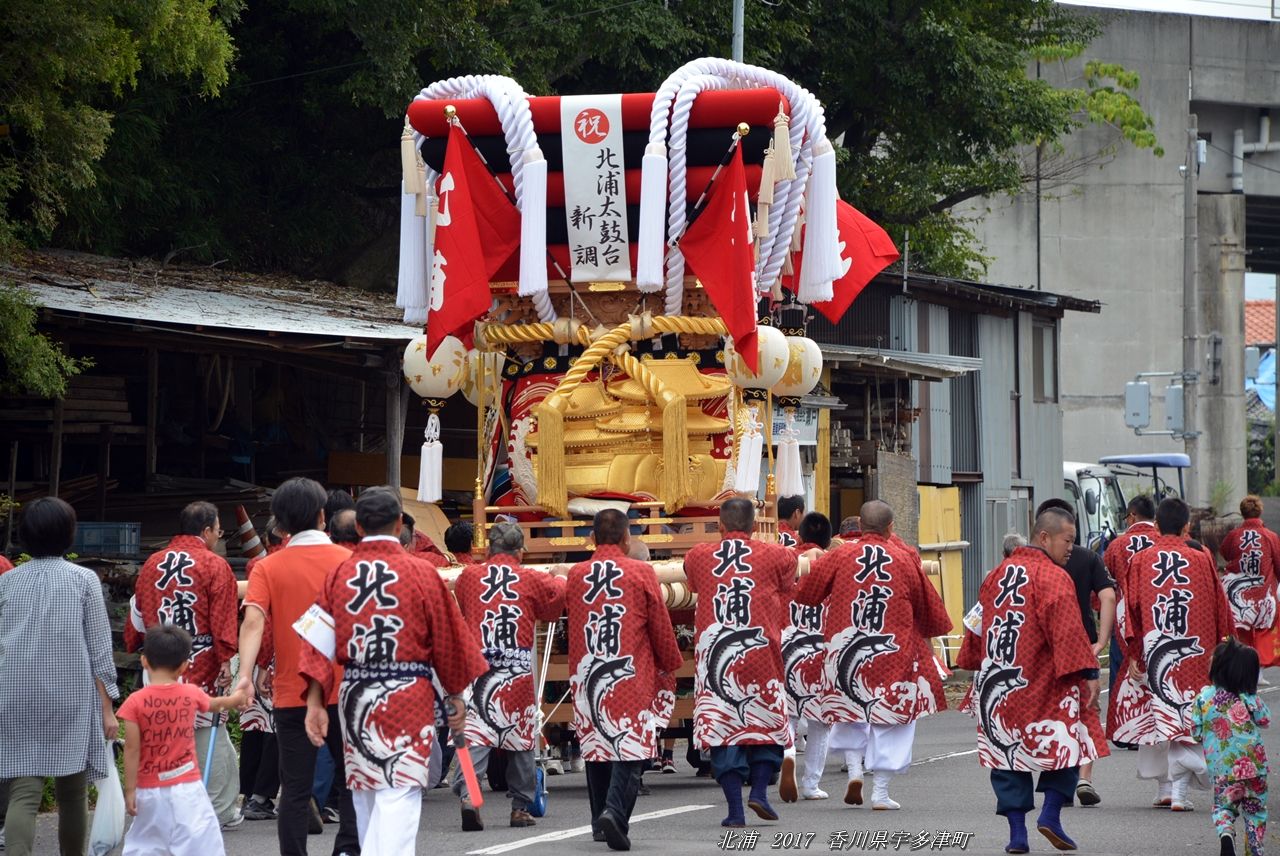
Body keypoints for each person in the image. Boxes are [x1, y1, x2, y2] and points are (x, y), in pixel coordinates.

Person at [298, 486, 488, 855]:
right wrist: (455, 694)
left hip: (356, 695)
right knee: (399, 790)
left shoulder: (339, 574)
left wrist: (315, 703)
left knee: (366, 792)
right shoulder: (422, 572)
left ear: (358, 527)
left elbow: (315, 644)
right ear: (400, 524)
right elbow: (449, 640)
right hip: (407, 693)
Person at [956, 507, 1101, 854]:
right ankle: (1050, 815)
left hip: (999, 685)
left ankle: (1017, 835)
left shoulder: (995, 575)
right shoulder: (1053, 577)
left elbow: (976, 626)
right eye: (1068, 540)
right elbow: (1068, 631)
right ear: (1044, 537)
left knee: (1005, 756)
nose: (1071, 548)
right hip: (1044, 680)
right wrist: (1088, 674)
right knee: (1068, 742)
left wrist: (973, 662)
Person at [796, 500, 952, 811]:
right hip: (893, 652)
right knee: (891, 721)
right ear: (890, 528)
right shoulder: (904, 558)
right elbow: (929, 611)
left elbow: (807, 594)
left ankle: (855, 772)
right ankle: (880, 792)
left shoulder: (840, 555)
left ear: (861, 526)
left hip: (846, 649)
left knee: (851, 712)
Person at [235, 477, 360, 856]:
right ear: (323, 516)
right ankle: (348, 850)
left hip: (292, 691)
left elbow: (253, 622)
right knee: (351, 780)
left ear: (280, 524)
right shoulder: (348, 561)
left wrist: (244, 676)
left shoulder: (268, 567)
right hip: (346, 688)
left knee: (294, 788)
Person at [0, 497, 119, 856]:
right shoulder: (83, 580)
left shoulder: (7, 582)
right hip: (71, 696)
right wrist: (108, 708)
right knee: (73, 792)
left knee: (24, 791)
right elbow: (100, 649)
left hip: (15, 693)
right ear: (69, 534)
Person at [564, 509, 683, 851]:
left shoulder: (576, 574)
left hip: (587, 673)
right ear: (627, 539)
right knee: (631, 747)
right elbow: (659, 625)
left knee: (596, 744)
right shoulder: (641, 572)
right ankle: (614, 813)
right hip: (630, 673)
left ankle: (599, 822)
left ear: (591, 539)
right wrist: (670, 663)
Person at [1110, 497, 1234, 812]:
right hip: (1197, 655)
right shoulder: (1202, 557)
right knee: (1189, 718)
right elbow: (1220, 606)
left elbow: (1129, 611)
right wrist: (1223, 645)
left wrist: (1133, 652)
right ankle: (1178, 792)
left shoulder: (1141, 560)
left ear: (1156, 525)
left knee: (1158, 717)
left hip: (1155, 653)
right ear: (1186, 526)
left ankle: (1167, 788)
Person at [124, 500, 242, 828]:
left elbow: (137, 615)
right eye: (218, 531)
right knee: (205, 731)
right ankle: (216, 808)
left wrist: (139, 645)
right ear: (206, 531)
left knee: (161, 733)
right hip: (200, 658)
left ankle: (162, 805)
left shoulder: (152, 563)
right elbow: (223, 619)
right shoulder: (214, 564)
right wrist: (226, 659)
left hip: (158, 660)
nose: (218, 536)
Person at [684, 498, 796, 827]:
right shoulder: (777, 555)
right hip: (761, 655)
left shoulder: (698, 555)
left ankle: (735, 810)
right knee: (766, 724)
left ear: (720, 526)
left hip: (716, 658)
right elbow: (788, 582)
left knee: (723, 729)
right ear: (754, 526)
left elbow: (693, 583)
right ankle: (759, 792)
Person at [453, 522, 566, 829]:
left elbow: (465, 607)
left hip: (478, 671)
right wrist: (560, 577)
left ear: (489, 550)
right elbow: (552, 608)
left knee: (475, 735)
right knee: (521, 739)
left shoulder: (469, 577)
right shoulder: (531, 578)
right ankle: (520, 808)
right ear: (520, 552)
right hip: (516, 674)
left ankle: (469, 796)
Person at [120, 625, 247, 856]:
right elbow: (216, 704)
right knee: (200, 839)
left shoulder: (134, 702)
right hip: (187, 786)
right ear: (184, 666)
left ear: (144, 661)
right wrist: (238, 697)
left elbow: (131, 749)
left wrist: (130, 790)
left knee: (147, 843)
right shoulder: (190, 693)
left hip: (149, 788)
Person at [1034, 497, 1115, 806]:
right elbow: (1108, 597)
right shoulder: (1089, 557)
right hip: (1083, 645)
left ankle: (1058, 779)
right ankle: (1083, 777)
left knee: (1053, 711)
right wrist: (1102, 640)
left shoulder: (1031, 564)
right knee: (1085, 710)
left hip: (1044, 650)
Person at [1189, 639, 1270, 856]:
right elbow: (1265, 720)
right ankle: (1254, 849)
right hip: (1255, 766)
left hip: (1223, 767)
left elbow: (1195, 732)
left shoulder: (1204, 698)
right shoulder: (1249, 697)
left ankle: (1226, 833)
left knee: (1224, 806)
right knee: (1255, 810)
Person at [784, 512, 835, 800]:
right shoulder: (833, 564)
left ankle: (788, 755)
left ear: (799, 535)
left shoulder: (784, 560)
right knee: (821, 721)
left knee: (787, 715)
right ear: (828, 540)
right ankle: (811, 784)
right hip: (819, 650)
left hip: (786, 646)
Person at [241, 518, 285, 822]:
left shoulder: (257, 565)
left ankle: (249, 792)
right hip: (275, 657)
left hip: (253, 651)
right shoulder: (284, 565)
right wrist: (263, 665)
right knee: (274, 728)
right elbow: (268, 621)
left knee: (254, 726)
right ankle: (262, 795)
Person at [1103, 496, 1158, 696]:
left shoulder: (1116, 546)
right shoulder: (1163, 541)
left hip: (1124, 621)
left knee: (1121, 678)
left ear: (1132, 516)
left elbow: (1104, 587)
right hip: (1158, 617)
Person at [1220, 496, 1280, 666]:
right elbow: (1278, 563)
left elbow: (1225, 553)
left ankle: (1241, 667)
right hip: (1263, 594)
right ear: (1260, 512)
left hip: (1237, 597)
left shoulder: (1234, 535)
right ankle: (1258, 668)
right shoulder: (1270, 536)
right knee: (1263, 633)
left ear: (1242, 513)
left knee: (1239, 634)